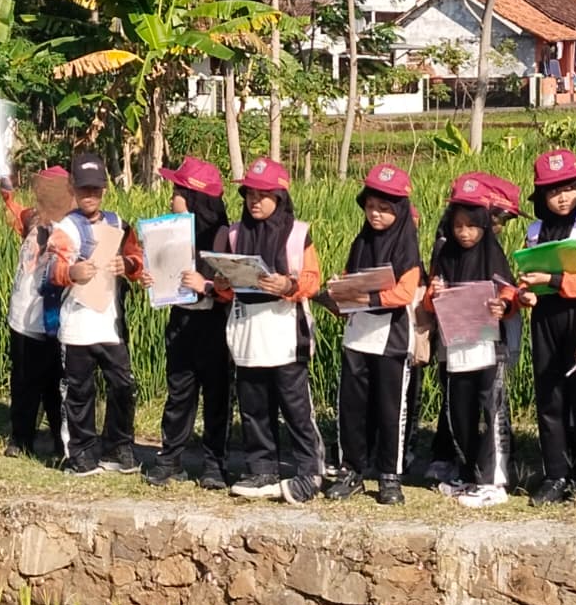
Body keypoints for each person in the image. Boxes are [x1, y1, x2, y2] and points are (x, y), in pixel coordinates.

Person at [215, 160, 326, 501]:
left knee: (295, 405)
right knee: (254, 403)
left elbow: (312, 279)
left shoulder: (297, 233)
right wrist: (222, 282)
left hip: (285, 329)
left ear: (279, 197)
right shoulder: (234, 234)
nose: (255, 201)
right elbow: (226, 288)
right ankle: (261, 468)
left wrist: (287, 284)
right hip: (248, 327)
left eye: (264, 195)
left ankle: (310, 470)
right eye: (250, 193)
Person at [513, 150, 576, 499]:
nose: (562, 197)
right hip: (545, 321)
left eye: (568, 188)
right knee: (550, 398)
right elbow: (526, 279)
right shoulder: (535, 230)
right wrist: (525, 294)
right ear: (541, 195)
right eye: (554, 191)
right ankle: (555, 474)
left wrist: (554, 279)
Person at [326, 162, 427, 504]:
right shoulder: (361, 242)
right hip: (357, 337)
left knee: (390, 410)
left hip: (391, 339)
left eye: (385, 209)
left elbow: (403, 293)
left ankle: (389, 476)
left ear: (399, 210)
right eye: (371, 207)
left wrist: (365, 297)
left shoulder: (407, 248)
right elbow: (349, 276)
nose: (377, 215)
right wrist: (338, 288)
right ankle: (351, 470)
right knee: (352, 408)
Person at [428, 170, 522, 505]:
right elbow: (431, 296)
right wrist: (434, 292)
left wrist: (504, 305)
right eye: (458, 226)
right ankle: (467, 472)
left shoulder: (492, 253)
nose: (465, 233)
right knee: (459, 409)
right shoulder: (445, 253)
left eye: (473, 225)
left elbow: (509, 291)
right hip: (456, 343)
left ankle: (493, 481)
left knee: (490, 407)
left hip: (487, 344)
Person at [43, 155, 139, 470]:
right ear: (73, 188)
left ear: (104, 190)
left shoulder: (118, 223)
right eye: (84, 189)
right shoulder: (65, 228)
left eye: (95, 189)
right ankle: (81, 453)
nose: (90, 196)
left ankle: (118, 447)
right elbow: (51, 271)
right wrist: (72, 272)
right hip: (77, 325)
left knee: (123, 385)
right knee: (79, 390)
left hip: (109, 324)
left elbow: (137, 259)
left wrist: (128, 266)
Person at [146, 158, 236, 484]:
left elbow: (237, 286)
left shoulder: (226, 236)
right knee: (179, 392)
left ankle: (215, 464)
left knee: (217, 395)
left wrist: (208, 286)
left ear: (194, 197)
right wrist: (150, 276)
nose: (171, 198)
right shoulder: (169, 233)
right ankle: (170, 459)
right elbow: (160, 273)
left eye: (176, 191)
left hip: (215, 323)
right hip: (182, 321)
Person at [0, 161, 75, 460]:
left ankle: (61, 442)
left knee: (56, 386)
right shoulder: (32, 220)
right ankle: (21, 438)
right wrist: (6, 194)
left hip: (53, 320)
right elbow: (14, 213)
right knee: (23, 383)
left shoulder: (71, 229)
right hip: (22, 318)